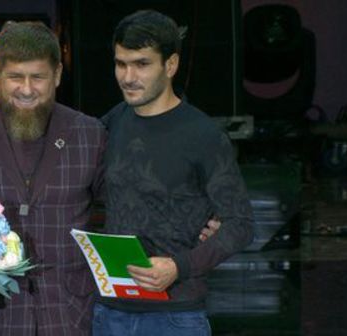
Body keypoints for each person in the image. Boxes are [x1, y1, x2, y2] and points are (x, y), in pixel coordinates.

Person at [93, 10, 254, 336]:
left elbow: (241, 224)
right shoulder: (113, 121)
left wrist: (178, 266)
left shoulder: (204, 135)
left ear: (171, 65)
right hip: (110, 311)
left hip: (174, 316)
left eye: (141, 64)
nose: (128, 76)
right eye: (121, 63)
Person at [0, 21, 106, 336]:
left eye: (38, 77)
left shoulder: (90, 134)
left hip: (72, 314)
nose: (27, 89)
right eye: (16, 77)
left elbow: (126, 202)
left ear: (57, 75)